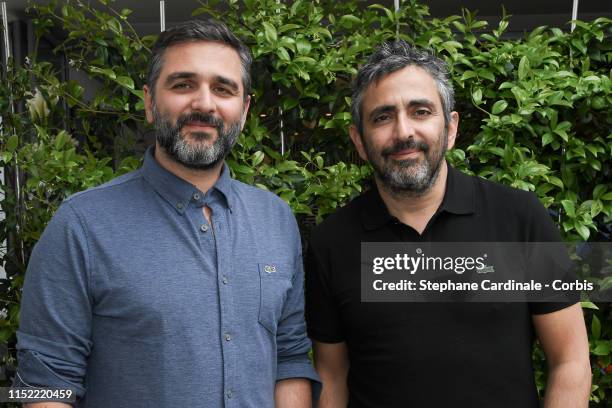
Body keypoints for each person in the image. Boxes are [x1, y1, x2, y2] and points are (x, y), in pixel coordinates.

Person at [16, 19, 318, 408]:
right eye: (183, 84)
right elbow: (43, 382)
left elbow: (289, 357)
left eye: (223, 89)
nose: (204, 104)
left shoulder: (275, 219)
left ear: (243, 111)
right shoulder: (81, 225)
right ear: (149, 102)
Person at [305, 40, 591, 407]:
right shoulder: (332, 242)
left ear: (451, 128)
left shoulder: (520, 217)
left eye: (421, 111)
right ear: (359, 141)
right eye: (382, 116)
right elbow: (332, 375)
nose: (403, 131)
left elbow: (570, 359)